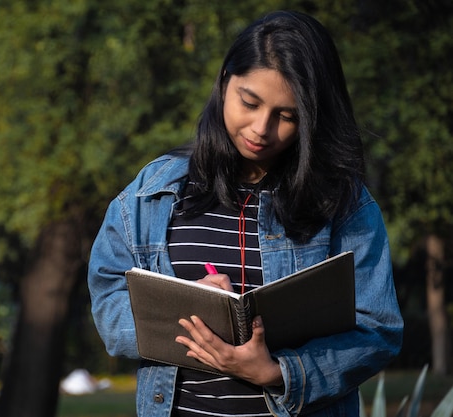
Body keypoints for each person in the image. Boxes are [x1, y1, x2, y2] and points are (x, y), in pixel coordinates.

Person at [87, 10, 403, 417]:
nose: (260, 128)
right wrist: (189, 310)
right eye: (249, 102)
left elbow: (378, 329)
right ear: (223, 82)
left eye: (287, 116)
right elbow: (110, 304)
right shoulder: (155, 191)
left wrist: (280, 374)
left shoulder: (343, 203)